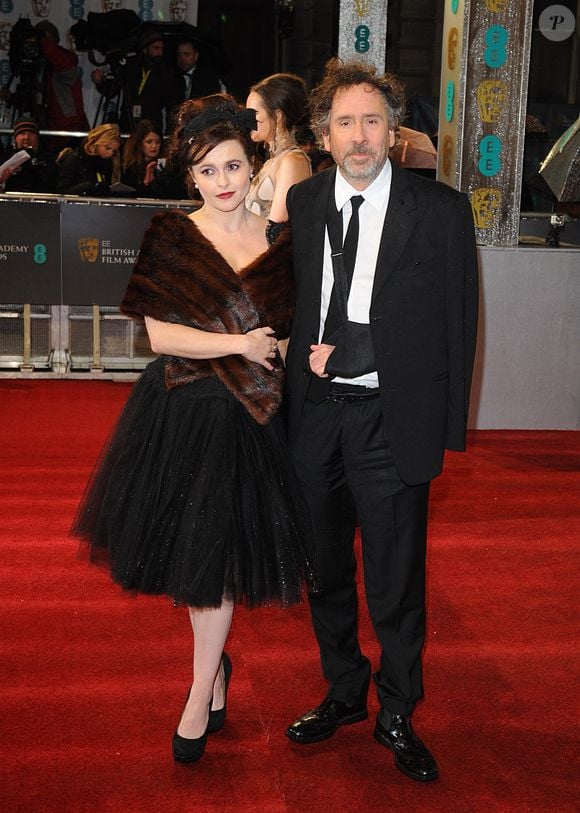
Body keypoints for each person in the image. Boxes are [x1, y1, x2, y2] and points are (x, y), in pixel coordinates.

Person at [71, 93, 315, 764]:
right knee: (198, 553)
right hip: (183, 407)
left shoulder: (279, 240)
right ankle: (207, 677)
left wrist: (292, 358)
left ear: (252, 161)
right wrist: (237, 346)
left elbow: (289, 333)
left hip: (255, 417)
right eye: (208, 171)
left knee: (222, 559)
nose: (223, 181)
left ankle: (203, 681)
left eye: (233, 166)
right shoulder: (172, 235)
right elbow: (158, 333)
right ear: (192, 176)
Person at [284, 58, 479, 783]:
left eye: (372, 120)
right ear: (323, 134)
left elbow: (454, 322)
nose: (359, 136)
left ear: (393, 131)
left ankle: (398, 707)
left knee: (395, 579)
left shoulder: (440, 210)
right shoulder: (303, 204)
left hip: (391, 417)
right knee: (325, 567)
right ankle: (344, 687)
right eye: (344, 122)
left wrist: (445, 426)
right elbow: (293, 307)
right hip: (314, 421)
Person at [246, 73, 311, 224]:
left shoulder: (293, 162)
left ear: (278, 116)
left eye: (253, 113)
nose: (247, 120)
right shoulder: (274, 162)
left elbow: (276, 232)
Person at [91, 29, 176, 134]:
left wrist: (170, 131)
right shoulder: (130, 65)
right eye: (156, 48)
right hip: (127, 123)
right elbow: (112, 92)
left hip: (153, 126)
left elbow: (171, 105)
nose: (160, 53)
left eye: (162, 49)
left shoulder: (165, 71)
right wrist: (100, 82)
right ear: (145, 49)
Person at [56, 123, 121, 195]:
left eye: (114, 151)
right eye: (107, 148)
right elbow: (61, 191)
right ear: (96, 141)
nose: (110, 153)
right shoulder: (74, 159)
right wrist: (87, 187)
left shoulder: (107, 162)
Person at [0, 117, 57, 193]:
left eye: (31, 134)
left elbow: (55, 186)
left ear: (37, 137)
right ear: (16, 138)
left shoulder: (49, 159)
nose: (26, 138)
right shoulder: (5, 158)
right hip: (12, 202)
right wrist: (3, 180)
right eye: (22, 134)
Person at [121, 118, 163, 196]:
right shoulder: (130, 168)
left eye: (158, 142)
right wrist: (145, 183)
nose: (154, 146)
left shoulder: (165, 166)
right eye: (149, 142)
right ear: (139, 143)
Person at [173, 37, 222, 103]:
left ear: (196, 56)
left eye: (186, 54)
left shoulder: (208, 77)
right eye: (179, 54)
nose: (182, 59)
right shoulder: (170, 76)